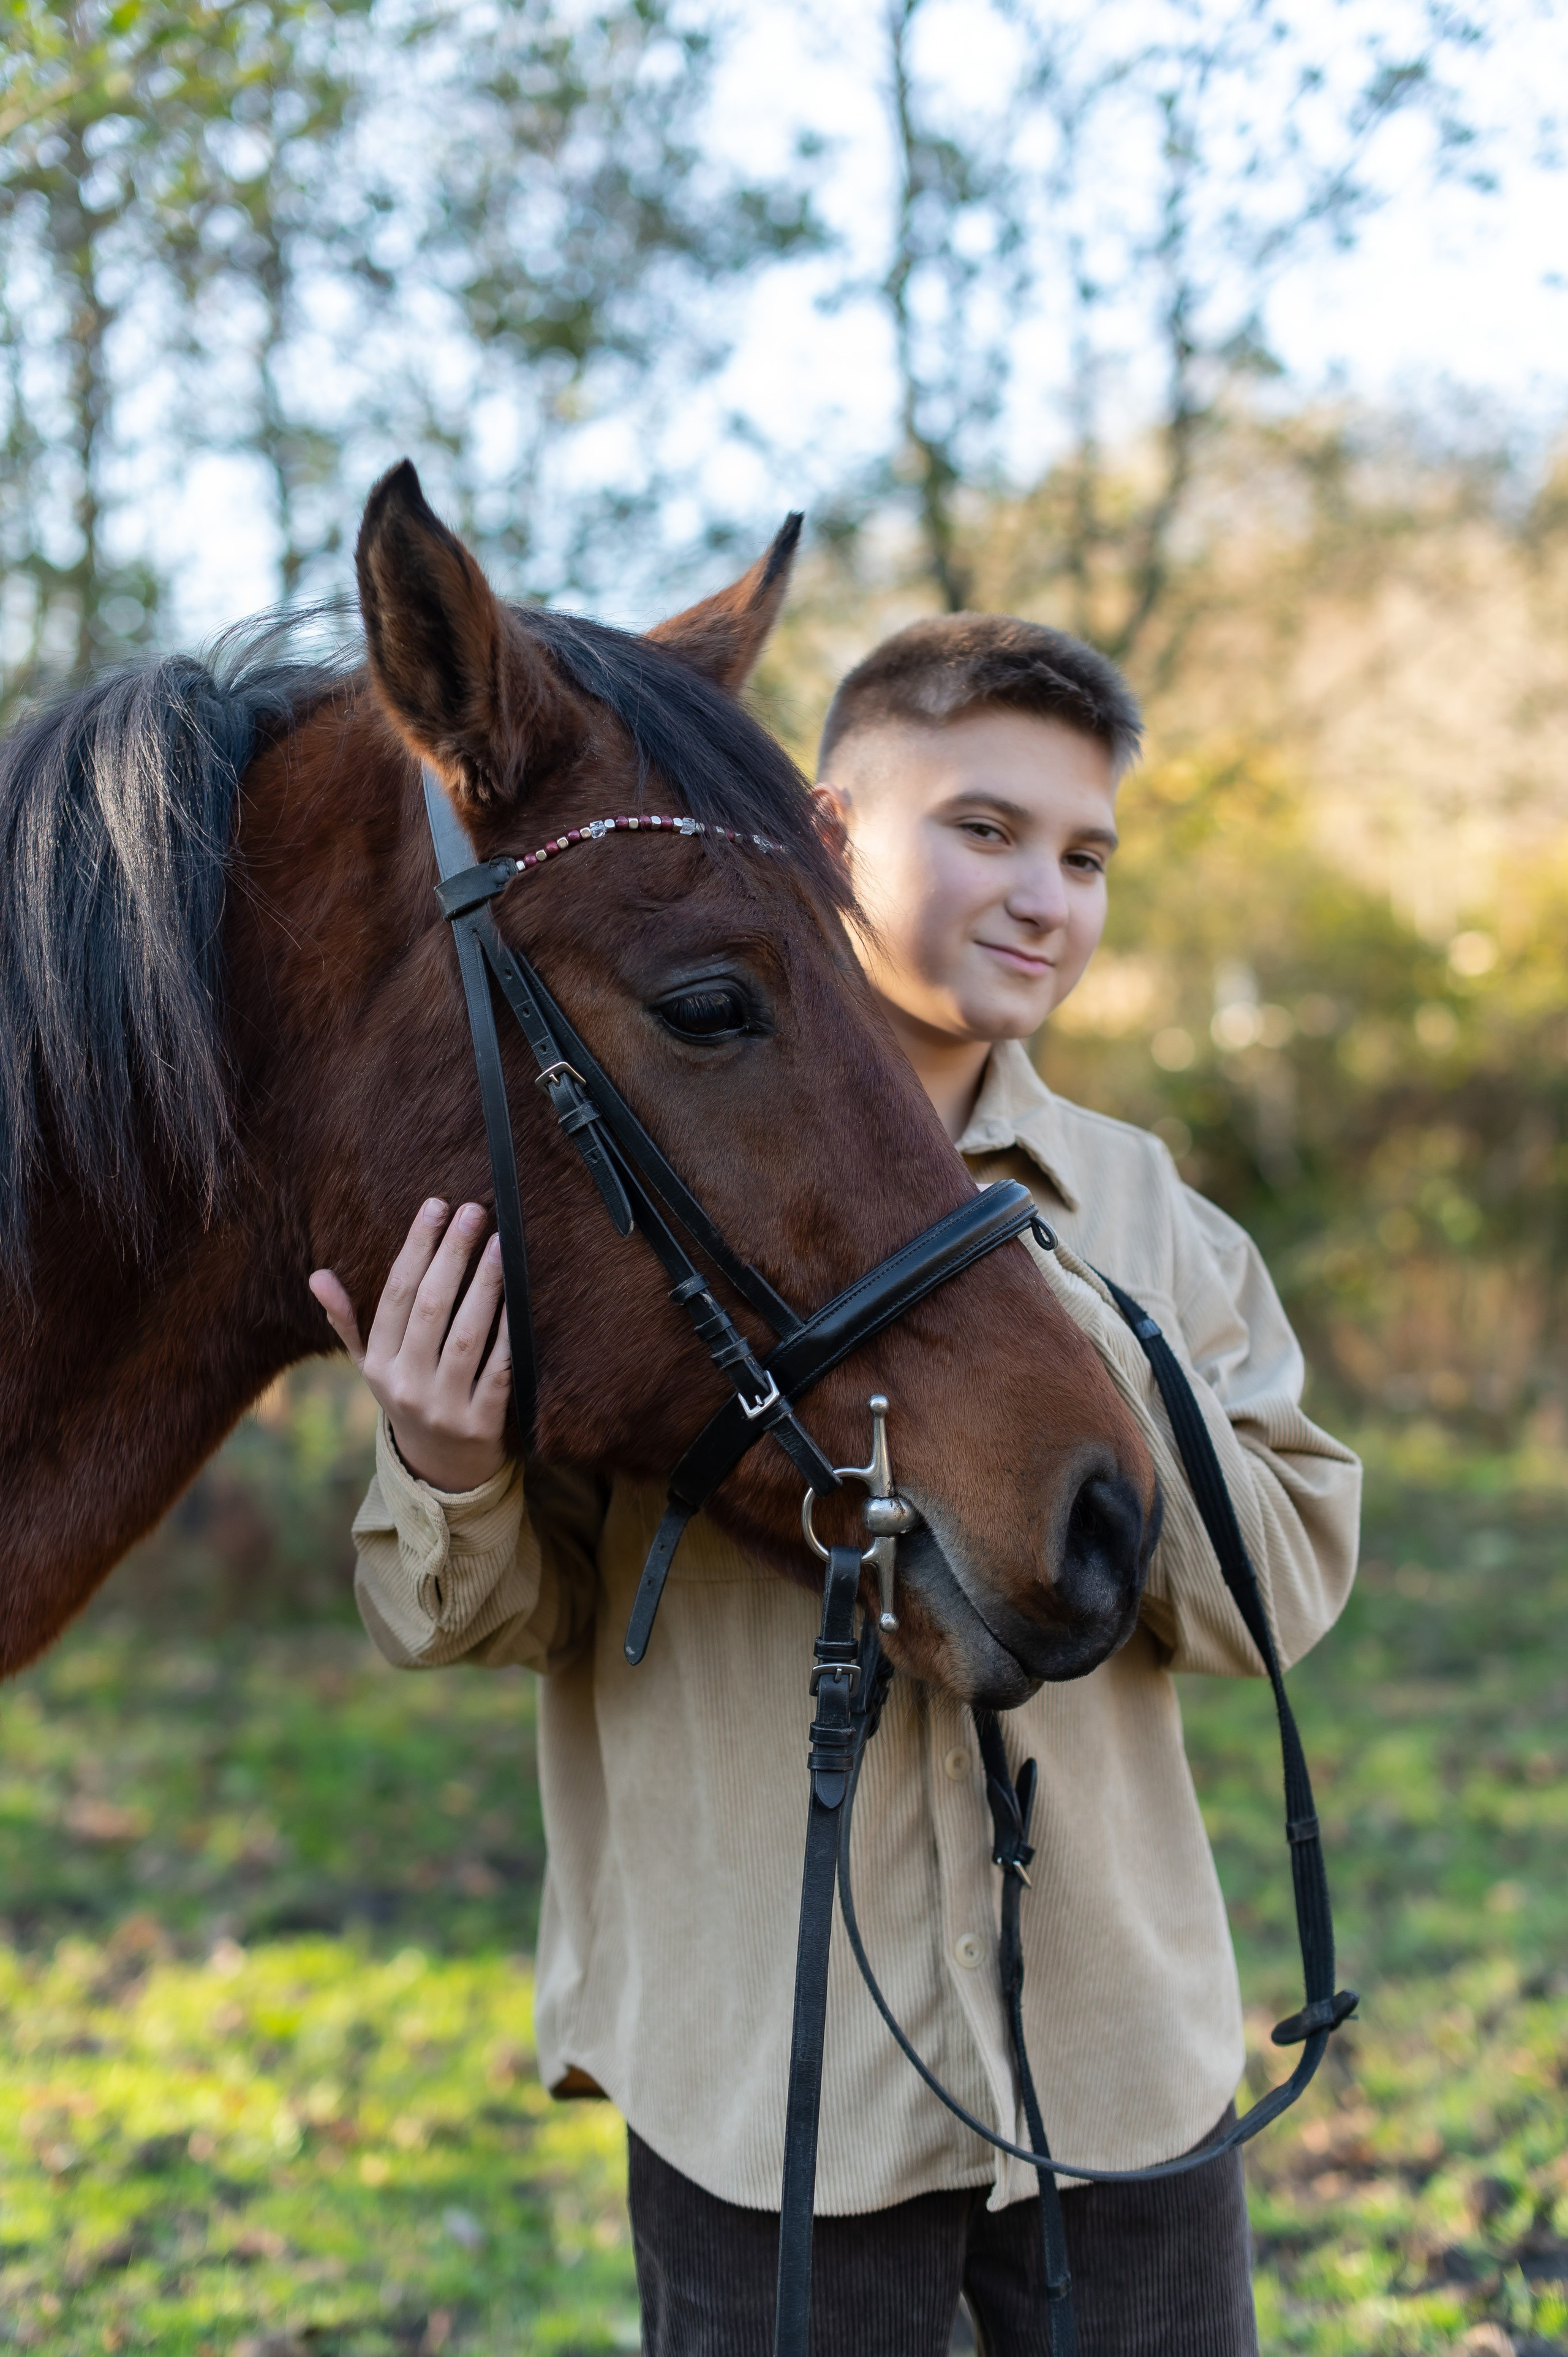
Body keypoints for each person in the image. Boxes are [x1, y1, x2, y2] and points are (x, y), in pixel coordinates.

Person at [310, 613, 1361, 2357]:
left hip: (1112, 2061)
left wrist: (1041, 1332)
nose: (1045, 896)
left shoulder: (1150, 1210)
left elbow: (1292, 1578)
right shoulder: (639, 1180)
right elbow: (495, 1617)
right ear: (826, 832)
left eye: (1085, 855)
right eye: (983, 830)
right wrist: (444, 1455)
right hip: (771, 2090)